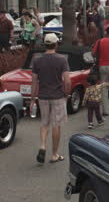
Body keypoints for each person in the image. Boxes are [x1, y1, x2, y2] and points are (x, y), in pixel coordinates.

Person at [30, 34, 71, 164]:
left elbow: (34, 81)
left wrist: (32, 99)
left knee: (44, 123)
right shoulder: (61, 59)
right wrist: (66, 93)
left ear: (44, 44)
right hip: (57, 96)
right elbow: (68, 81)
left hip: (42, 96)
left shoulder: (37, 60)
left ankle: (42, 145)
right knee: (56, 125)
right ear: (56, 44)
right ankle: (54, 154)